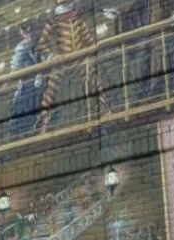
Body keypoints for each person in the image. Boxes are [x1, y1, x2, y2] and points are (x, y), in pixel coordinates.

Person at [36, 0, 110, 132]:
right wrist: (52, 56)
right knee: (50, 92)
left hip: (79, 61)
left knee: (94, 81)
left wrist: (91, 52)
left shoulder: (78, 20)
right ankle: (42, 124)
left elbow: (89, 41)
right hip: (61, 63)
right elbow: (41, 46)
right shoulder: (52, 22)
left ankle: (103, 110)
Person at [8, 24, 42, 139]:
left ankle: (30, 132)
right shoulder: (23, 46)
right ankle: (22, 134)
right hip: (27, 84)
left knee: (31, 107)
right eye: (25, 30)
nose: (28, 33)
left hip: (35, 83)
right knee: (24, 108)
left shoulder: (37, 44)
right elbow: (16, 66)